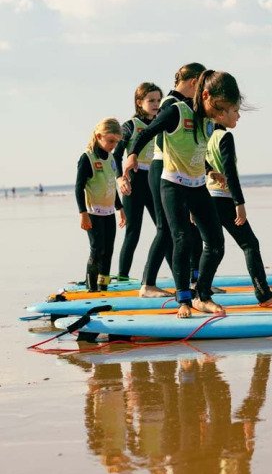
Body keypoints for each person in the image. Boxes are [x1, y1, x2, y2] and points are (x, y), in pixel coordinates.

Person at [123, 70, 240, 318]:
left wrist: (210, 171)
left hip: (198, 186)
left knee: (216, 243)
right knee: (182, 240)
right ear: (205, 95)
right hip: (173, 185)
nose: (221, 113)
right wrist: (132, 155)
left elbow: (196, 148)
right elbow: (147, 132)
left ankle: (202, 296)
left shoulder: (209, 119)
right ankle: (183, 300)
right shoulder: (176, 111)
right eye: (220, 107)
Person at [123, 64, 206, 298]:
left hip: (175, 168)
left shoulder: (182, 103)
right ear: (194, 82)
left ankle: (193, 281)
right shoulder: (171, 104)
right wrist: (131, 157)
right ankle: (148, 284)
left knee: (178, 229)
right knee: (165, 227)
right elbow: (151, 135)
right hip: (163, 167)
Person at [206, 107, 272, 306]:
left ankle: (199, 291)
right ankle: (264, 295)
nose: (238, 115)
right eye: (234, 110)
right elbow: (230, 172)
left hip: (206, 197)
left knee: (212, 247)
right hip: (223, 197)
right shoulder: (224, 137)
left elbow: (199, 165)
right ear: (220, 113)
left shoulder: (205, 138)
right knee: (249, 244)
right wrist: (239, 203)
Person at [114, 82, 162, 280]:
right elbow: (116, 155)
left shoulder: (162, 122)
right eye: (151, 100)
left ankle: (178, 276)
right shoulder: (130, 126)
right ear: (139, 102)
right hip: (135, 180)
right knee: (133, 232)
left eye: (158, 100)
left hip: (156, 180)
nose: (156, 104)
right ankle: (123, 277)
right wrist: (119, 179)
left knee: (164, 229)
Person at [75, 118, 126, 292]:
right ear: (99, 136)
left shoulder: (111, 158)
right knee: (98, 249)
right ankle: (91, 288)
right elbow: (79, 187)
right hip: (92, 212)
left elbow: (112, 184)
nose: (113, 145)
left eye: (116, 142)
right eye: (111, 141)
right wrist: (83, 213)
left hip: (108, 212)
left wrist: (120, 208)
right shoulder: (87, 158)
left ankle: (103, 286)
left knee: (109, 250)